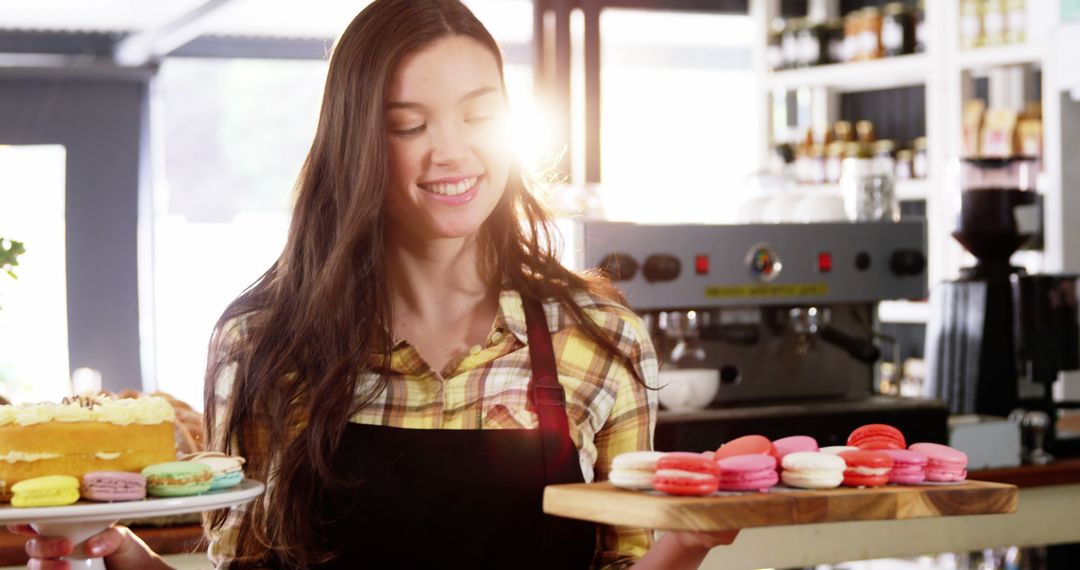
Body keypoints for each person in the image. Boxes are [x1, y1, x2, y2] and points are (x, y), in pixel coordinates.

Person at [15, 1, 737, 568]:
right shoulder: (262, 342)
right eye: (407, 125)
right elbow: (248, 567)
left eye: (479, 114)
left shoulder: (598, 340)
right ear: (355, 144)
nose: (451, 151)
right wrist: (125, 558)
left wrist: (688, 541)